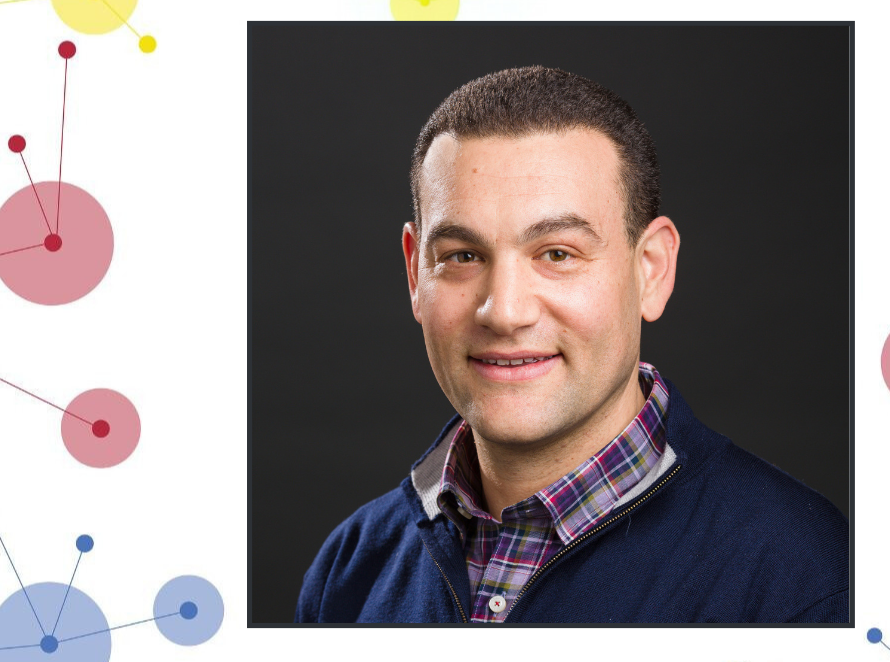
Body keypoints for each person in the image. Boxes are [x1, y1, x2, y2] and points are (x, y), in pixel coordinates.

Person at [295, 66, 848, 624]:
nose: (505, 312)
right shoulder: (351, 570)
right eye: (462, 255)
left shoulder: (805, 580)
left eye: (557, 254)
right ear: (416, 273)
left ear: (650, 271)